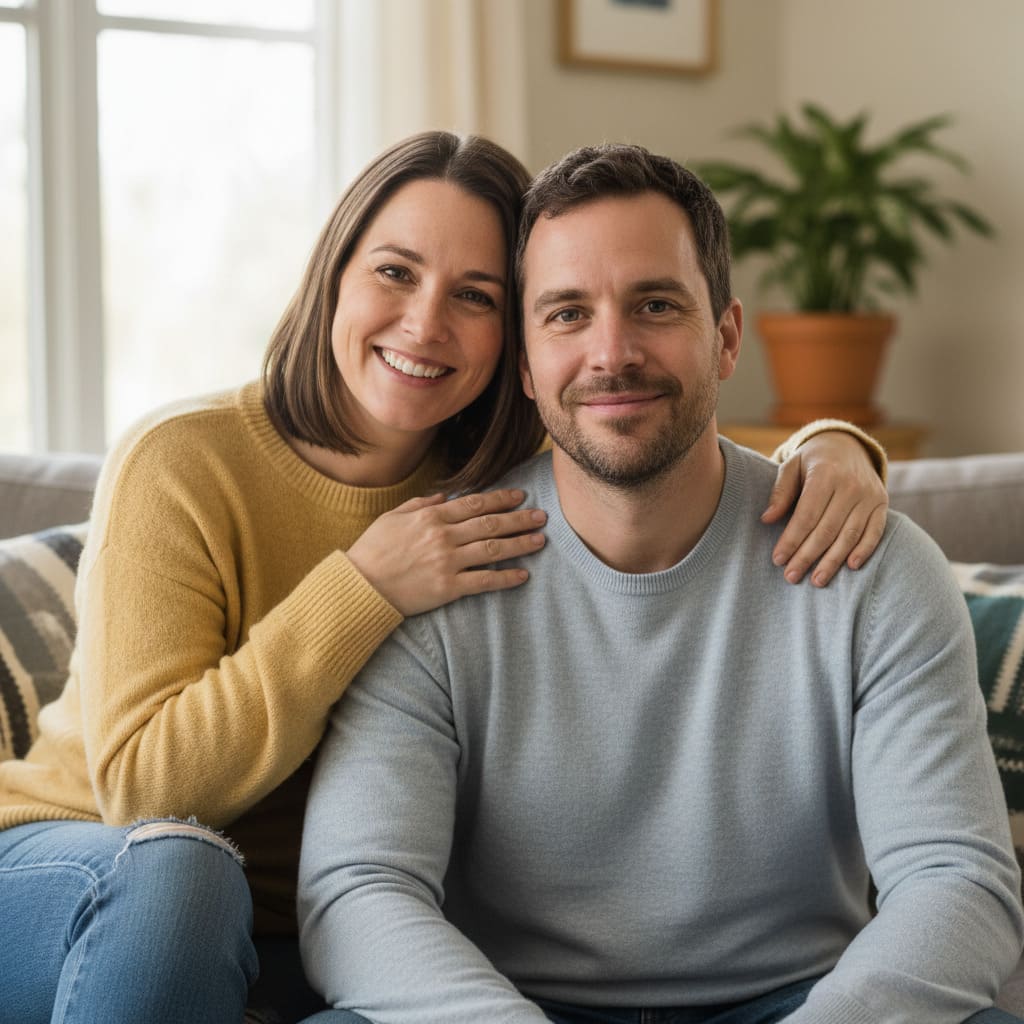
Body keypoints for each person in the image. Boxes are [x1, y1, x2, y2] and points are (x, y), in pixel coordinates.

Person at [0, 131, 886, 1024]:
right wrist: (363, 587)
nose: (426, 324)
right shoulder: (183, 462)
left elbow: (643, 440)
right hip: (85, 871)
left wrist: (832, 448)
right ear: (332, 275)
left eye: (475, 296)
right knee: (186, 876)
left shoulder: (498, 484)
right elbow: (146, 793)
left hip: (303, 933)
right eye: (394, 272)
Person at [297, 142, 1024, 1024]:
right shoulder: (432, 568)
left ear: (724, 337)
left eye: (654, 304)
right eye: (566, 314)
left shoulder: (871, 566)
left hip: (802, 1004)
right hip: (503, 1007)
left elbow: (959, 881)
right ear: (525, 363)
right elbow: (357, 889)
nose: (613, 352)